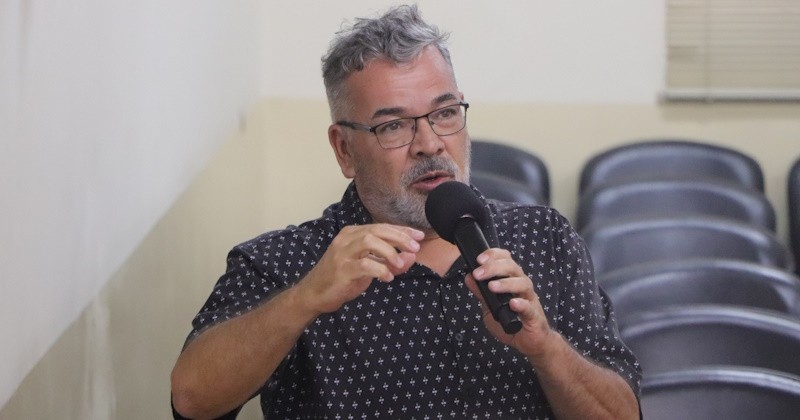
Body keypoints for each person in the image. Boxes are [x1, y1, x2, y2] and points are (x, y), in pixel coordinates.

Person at [171, 5, 641, 419]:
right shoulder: (285, 263)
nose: (430, 144)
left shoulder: (544, 238)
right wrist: (304, 300)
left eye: (445, 113)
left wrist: (546, 349)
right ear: (344, 150)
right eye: (394, 126)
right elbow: (192, 401)